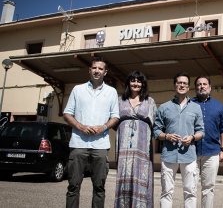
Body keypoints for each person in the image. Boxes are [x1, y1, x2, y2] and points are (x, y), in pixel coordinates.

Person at [63, 57, 120, 208]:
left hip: (100, 145)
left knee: (99, 187)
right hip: (78, 143)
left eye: (100, 69)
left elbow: (115, 116)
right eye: (94, 68)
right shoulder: (78, 89)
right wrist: (81, 127)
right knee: (73, 186)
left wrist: (103, 127)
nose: (97, 71)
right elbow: (67, 113)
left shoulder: (112, 92)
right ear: (89, 70)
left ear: (105, 72)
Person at [153, 72, 204, 208]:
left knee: (190, 192)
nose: (182, 85)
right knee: (166, 192)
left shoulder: (196, 107)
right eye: (179, 82)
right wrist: (166, 136)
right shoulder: (164, 107)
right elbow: (156, 130)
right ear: (175, 85)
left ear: (188, 88)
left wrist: (192, 137)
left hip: (189, 156)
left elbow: (201, 131)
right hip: (169, 155)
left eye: (185, 83)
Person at [114, 70, 157, 207]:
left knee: (142, 178)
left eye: (139, 81)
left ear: (143, 84)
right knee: (124, 177)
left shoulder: (149, 101)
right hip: (124, 148)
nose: (136, 83)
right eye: (133, 80)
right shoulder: (120, 101)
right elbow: (114, 122)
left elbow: (155, 124)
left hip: (142, 148)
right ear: (128, 83)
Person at [192, 76, 223, 208]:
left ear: (210, 87)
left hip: (212, 152)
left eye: (204, 84)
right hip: (191, 153)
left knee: (208, 188)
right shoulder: (189, 104)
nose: (202, 86)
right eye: (199, 84)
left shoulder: (219, 107)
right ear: (195, 87)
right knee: (190, 188)